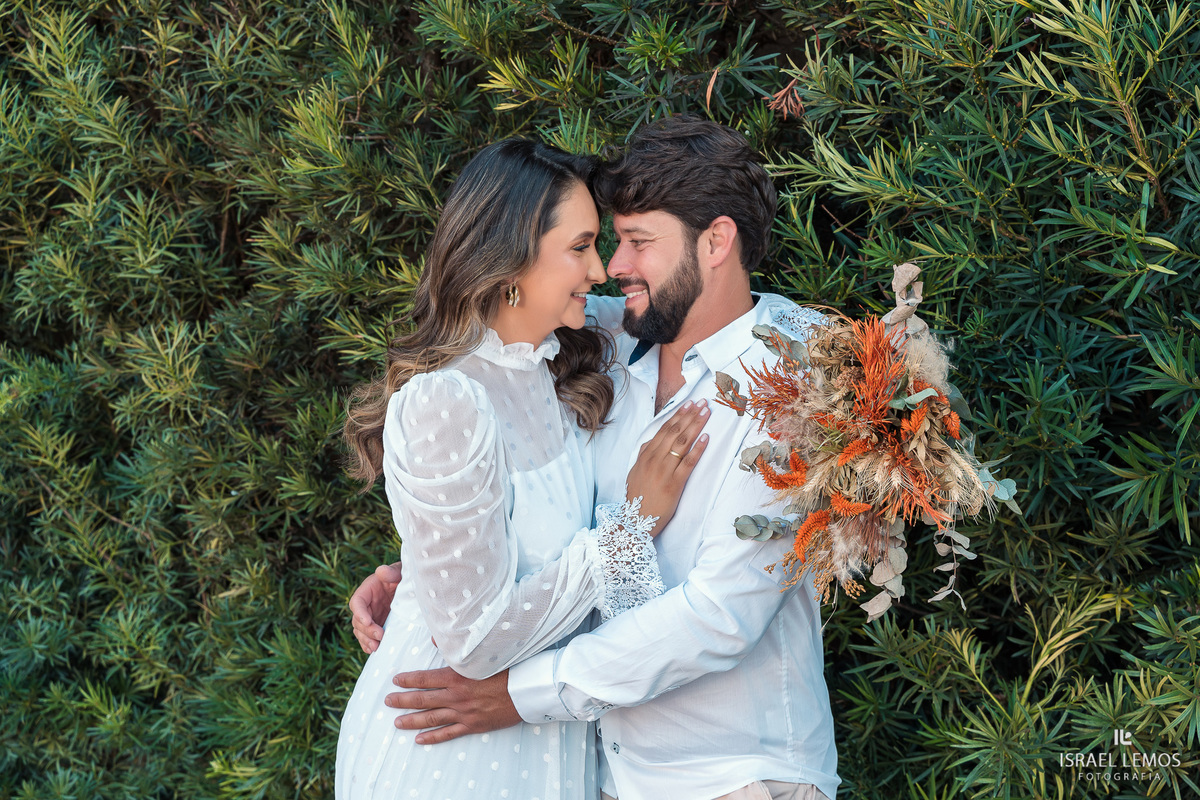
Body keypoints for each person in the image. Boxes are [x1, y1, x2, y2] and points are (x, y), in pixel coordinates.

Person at [353, 117, 841, 800]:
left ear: (717, 241)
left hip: (732, 776)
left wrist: (518, 695)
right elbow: (505, 434)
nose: (611, 267)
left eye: (637, 243)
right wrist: (428, 574)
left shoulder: (791, 383)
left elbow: (720, 615)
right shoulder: (605, 345)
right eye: (604, 243)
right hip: (605, 773)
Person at [335, 137, 713, 800]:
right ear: (509, 260)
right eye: (579, 247)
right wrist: (631, 527)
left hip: (546, 737)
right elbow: (474, 642)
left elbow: (707, 313)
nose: (599, 270)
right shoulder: (448, 399)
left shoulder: (560, 359)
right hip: (450, 745)